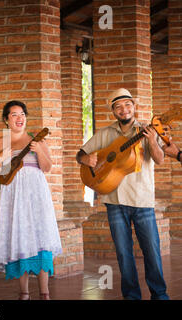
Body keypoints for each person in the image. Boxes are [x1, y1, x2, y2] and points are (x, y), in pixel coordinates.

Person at [76, 88, 169, 300]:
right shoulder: (105, 133)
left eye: (127, 104)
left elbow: (160, 159)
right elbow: (80, 154)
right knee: (124, 255)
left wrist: (153, 140)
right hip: (114, 201)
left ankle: (160, 295)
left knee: (152, 253)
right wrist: (86, 160)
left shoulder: (146, 131)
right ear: (113, 111)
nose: (123, 109)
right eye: (118, 106)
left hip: (142, 200)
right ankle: (131, 296)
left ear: (134, 107)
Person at [0, 100, 62, 300]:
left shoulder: (36, 140)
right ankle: (24, 293)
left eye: (22, 114)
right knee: (18, 237)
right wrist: (1, 158)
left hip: (36, 195)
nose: (19, 118)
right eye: (14, 115)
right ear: (6, 120)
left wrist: (38, 151)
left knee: (40, 237)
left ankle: (44, 293)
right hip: (12, 195)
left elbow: (47, 168)